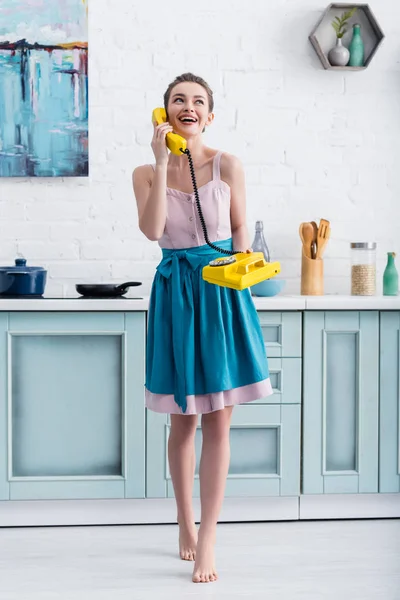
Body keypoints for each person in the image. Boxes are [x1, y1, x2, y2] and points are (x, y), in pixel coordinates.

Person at [132, 72, 273, 584]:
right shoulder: (146, 173)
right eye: (177, 100)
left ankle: (209, 535)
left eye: (197, 102)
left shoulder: (227, 164)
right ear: (163, 112)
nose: (187, 107)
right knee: (183, 420)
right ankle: (184, 523)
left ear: (210, 115)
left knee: (219, 420)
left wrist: (242, 271)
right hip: (175, 293)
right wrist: (163, 158)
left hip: (221, 291)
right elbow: (152, 231)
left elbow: (238, 228)